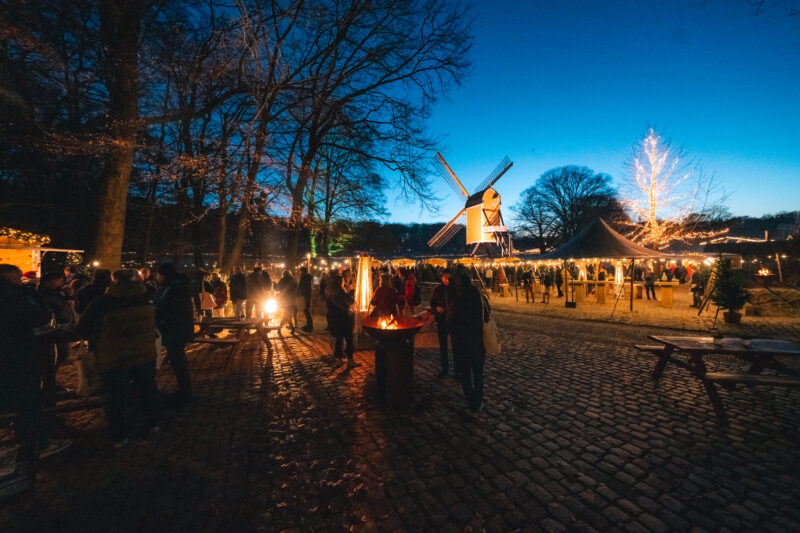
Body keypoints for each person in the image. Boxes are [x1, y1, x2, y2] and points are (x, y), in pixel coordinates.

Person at [0, 264, 71, 488]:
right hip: (19, 353)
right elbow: (38, 317)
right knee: (29, 398)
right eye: (17, 277)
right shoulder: (17, 295)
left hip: (10, 354)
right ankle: (36, 443)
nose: (20, 280)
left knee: (18, 396)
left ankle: (26, 440)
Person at [77, 269, 161, 447]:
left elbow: (83, 328)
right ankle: (152, 424)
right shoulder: (149, 297)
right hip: (144, 353)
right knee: (147, 390)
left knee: (116, 396)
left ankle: (120, 435)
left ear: (112, 282)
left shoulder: (103, 302)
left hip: (114, 356)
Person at [155, 262, 194, 407]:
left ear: (164, 274)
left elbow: (172, 310)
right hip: (176, 329)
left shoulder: (174, 288)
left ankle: (185, 393)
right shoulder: (174, 286)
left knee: (178, 361)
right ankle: (184, 390)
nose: (157, 277)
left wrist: (163, 321)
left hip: (176, 330)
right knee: (177, 360)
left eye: (159, 274)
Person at [448, 273, 487, 413]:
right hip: (477, 341)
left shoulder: (458, 301)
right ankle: (478, 400)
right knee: (478, 374)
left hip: (463, 343)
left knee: (465, 375)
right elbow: (486, 316)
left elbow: (450, 320)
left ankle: (472, 402)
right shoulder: (479, 299)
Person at [326, 273, 359, 367]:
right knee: (349, 339)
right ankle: (350, 360)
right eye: (343, 281)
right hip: (344, 318)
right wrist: (351, 296)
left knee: (339, 339)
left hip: (334, 318)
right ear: (340, 282)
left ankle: (339, 359)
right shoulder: (339, 291)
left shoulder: (329, 291)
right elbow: (349, 301)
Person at [429, 270, 457, 379]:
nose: (447, 280)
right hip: (441, 321)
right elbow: (432, 304)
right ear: (442, 278)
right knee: (443, 348)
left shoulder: (455, 290)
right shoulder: (437, 289)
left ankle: (457, 371)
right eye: (445, 277)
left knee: (455, 347)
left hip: (453, 321)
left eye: (449, 277)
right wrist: (436, 309)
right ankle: (444, 369)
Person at [275, 270, 297, 334]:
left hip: (285, 300)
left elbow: (277, 288)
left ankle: (280, 328)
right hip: (292, 300)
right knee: (287, 315)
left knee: (286, 315)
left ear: (283, 274)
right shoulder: (293, 280)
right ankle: (290, 328)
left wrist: (274, 285)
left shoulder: (282, 280)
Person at [297, 267, 313, 332]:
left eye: (300, 271)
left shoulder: (304, 278)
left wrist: (299, 294)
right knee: (306, 311)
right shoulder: (307, 278)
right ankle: (309, 325)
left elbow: (300, 287)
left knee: (306, 311)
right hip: (307, 296)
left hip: (304, 296)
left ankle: (310, 326)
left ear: (302, 271)